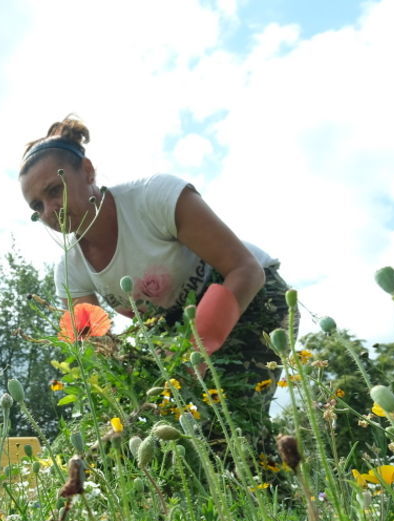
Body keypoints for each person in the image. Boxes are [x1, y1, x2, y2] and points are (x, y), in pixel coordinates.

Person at [18, 116, 291, 448]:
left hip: (251, 298)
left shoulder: (154, 197)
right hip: (175, 338)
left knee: (232, 431)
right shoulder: (70, 272)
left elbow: (245, 269)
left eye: (54, 190)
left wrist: (191, 354)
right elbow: (95, 354)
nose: (49, 210)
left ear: (88, 171)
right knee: (176, 448)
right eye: (37, 206)